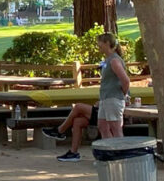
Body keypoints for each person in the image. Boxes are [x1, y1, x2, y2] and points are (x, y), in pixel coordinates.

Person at [41, 33, 131, 162]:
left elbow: (126, 80)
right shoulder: (107, 60)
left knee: (116, 128)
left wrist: (122, 95)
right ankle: (111, 154)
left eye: (99, 43)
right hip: (105, 99)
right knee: (102, 126)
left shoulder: (115, 60)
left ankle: (122, 156)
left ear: (106, 43)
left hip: (113, 99)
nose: (98, 46)